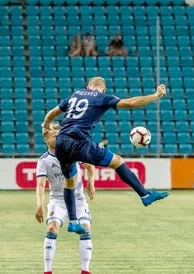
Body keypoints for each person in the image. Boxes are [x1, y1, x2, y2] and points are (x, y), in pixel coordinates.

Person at [41, 77, 169, 235]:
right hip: (79, 142)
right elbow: (130, 103)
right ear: (103, 90)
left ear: (88, 87)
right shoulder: (102, 97)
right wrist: (155, 96)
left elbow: (51, 114)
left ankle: (73, 222)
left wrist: (46, 124)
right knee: (118, 162)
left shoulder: (74, 95)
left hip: (61, 143)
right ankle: (145, 194)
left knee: (69, 181)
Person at [35, 124, 96, 274]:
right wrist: (40, 204)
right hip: (57, 200)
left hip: (78, 199)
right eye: (54, 136)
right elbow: (40, 185)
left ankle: (85, 272)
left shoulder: (72, 151)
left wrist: (91, 181)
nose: (58, 138)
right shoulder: (44, 161)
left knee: (85, 227)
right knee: (52, 228)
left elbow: (90, 164)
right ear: (46, 139)